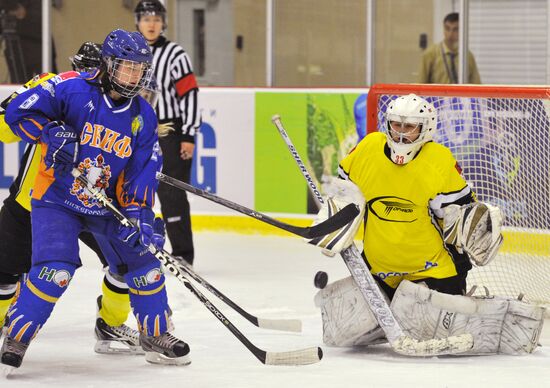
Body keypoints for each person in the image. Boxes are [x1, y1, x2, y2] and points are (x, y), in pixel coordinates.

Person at [0, 29, 190, 372]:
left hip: (105, 205)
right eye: (126, 67)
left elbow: (141, 171)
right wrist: (49, 132)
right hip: (56, 199)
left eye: (139, 69)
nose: (133, 75)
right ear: (108, 64)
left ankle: (155, 335)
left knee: (145, 266)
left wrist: (139, 215)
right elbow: (16, 111)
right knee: (53, 271)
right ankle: (17, 335)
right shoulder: (70, 87)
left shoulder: (143, 116)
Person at [312, 94, 543, 355]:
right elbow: (345, 196)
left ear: (426, 129)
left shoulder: (439, 162)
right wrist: (334, 222)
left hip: (434, 273)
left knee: (446, 329)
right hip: (379, 269)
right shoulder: (367, 150)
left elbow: (464, 219)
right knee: (340, 334)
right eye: (396, 125)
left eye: (409, 127)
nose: (400, 134)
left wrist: (475, 233)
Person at [135, 0, 201, 267]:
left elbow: (190, 94)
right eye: (146, 18)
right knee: (133, 188)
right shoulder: (131, 53)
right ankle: (135, 247)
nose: (151, 24)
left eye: (156, 19)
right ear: (137, 21)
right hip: (137, 131)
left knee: (171, 193)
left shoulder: (175, 54)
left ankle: (183, 253)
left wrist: (189, 135)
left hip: (170, 131)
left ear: (163, 23)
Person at [417, 12, 481, 84]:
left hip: (461, 94)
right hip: (437, 95)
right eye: (447, 28)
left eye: (455, 29)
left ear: (462, 31)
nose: (450, 34)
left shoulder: (467, 56)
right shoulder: (430, 54)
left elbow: (476, 84)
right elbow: (420, 85)